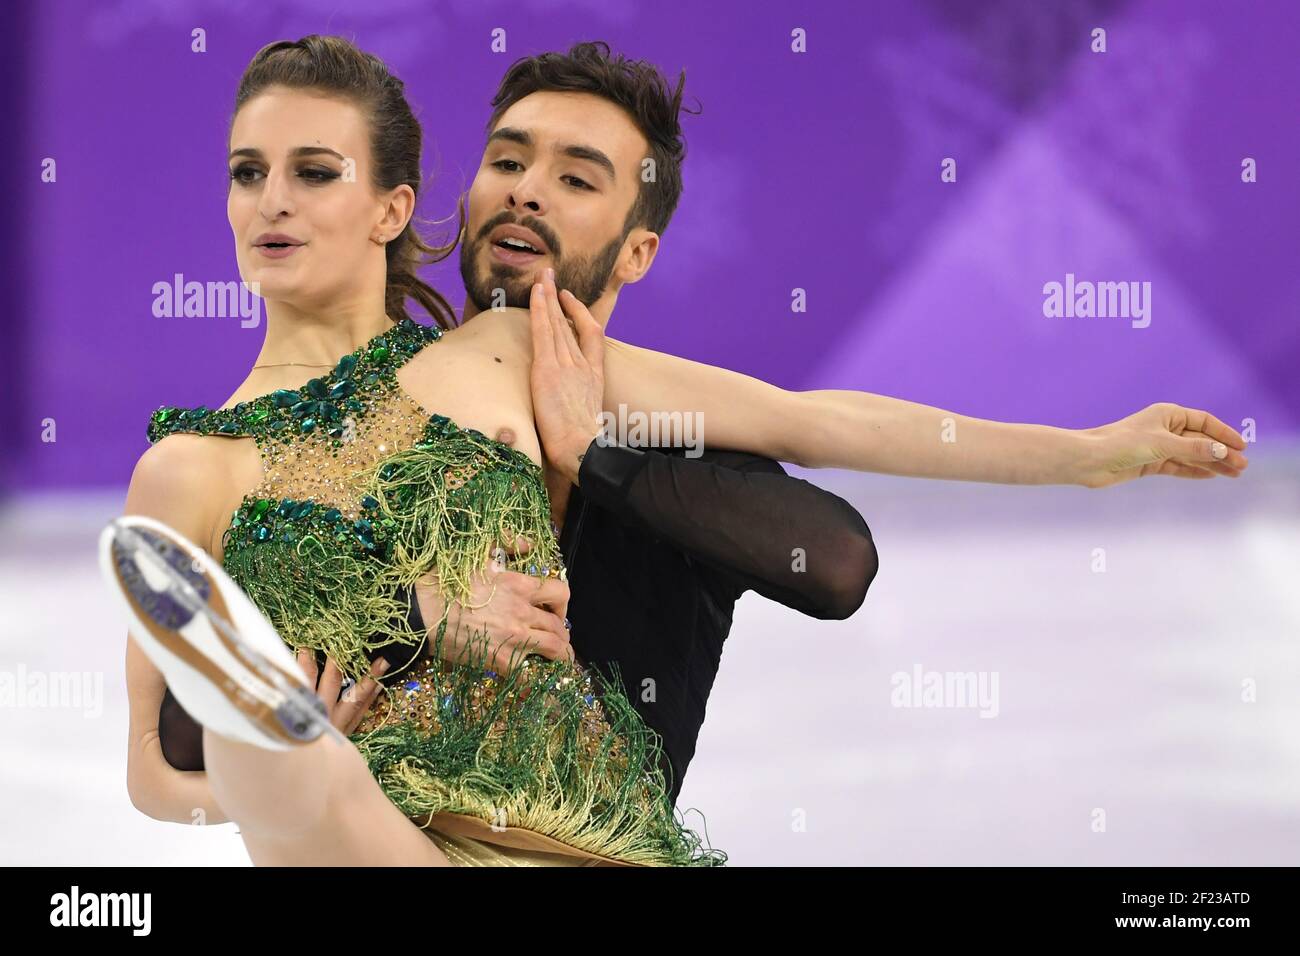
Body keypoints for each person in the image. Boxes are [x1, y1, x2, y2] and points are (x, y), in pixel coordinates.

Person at [122, 35, 1248, 867]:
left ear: (390, 206)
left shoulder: (523, 352)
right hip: (383, 837)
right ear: (463, 198)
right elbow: (152, 775)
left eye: (313, 170)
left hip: (584, 829)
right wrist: (392, 636)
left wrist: (1089, 452)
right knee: (299, 771)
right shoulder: (184, 472)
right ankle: (276, 719)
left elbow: (824, 424)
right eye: (245, 171)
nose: (269, 200)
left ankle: (275, 725)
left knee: (293, 768)